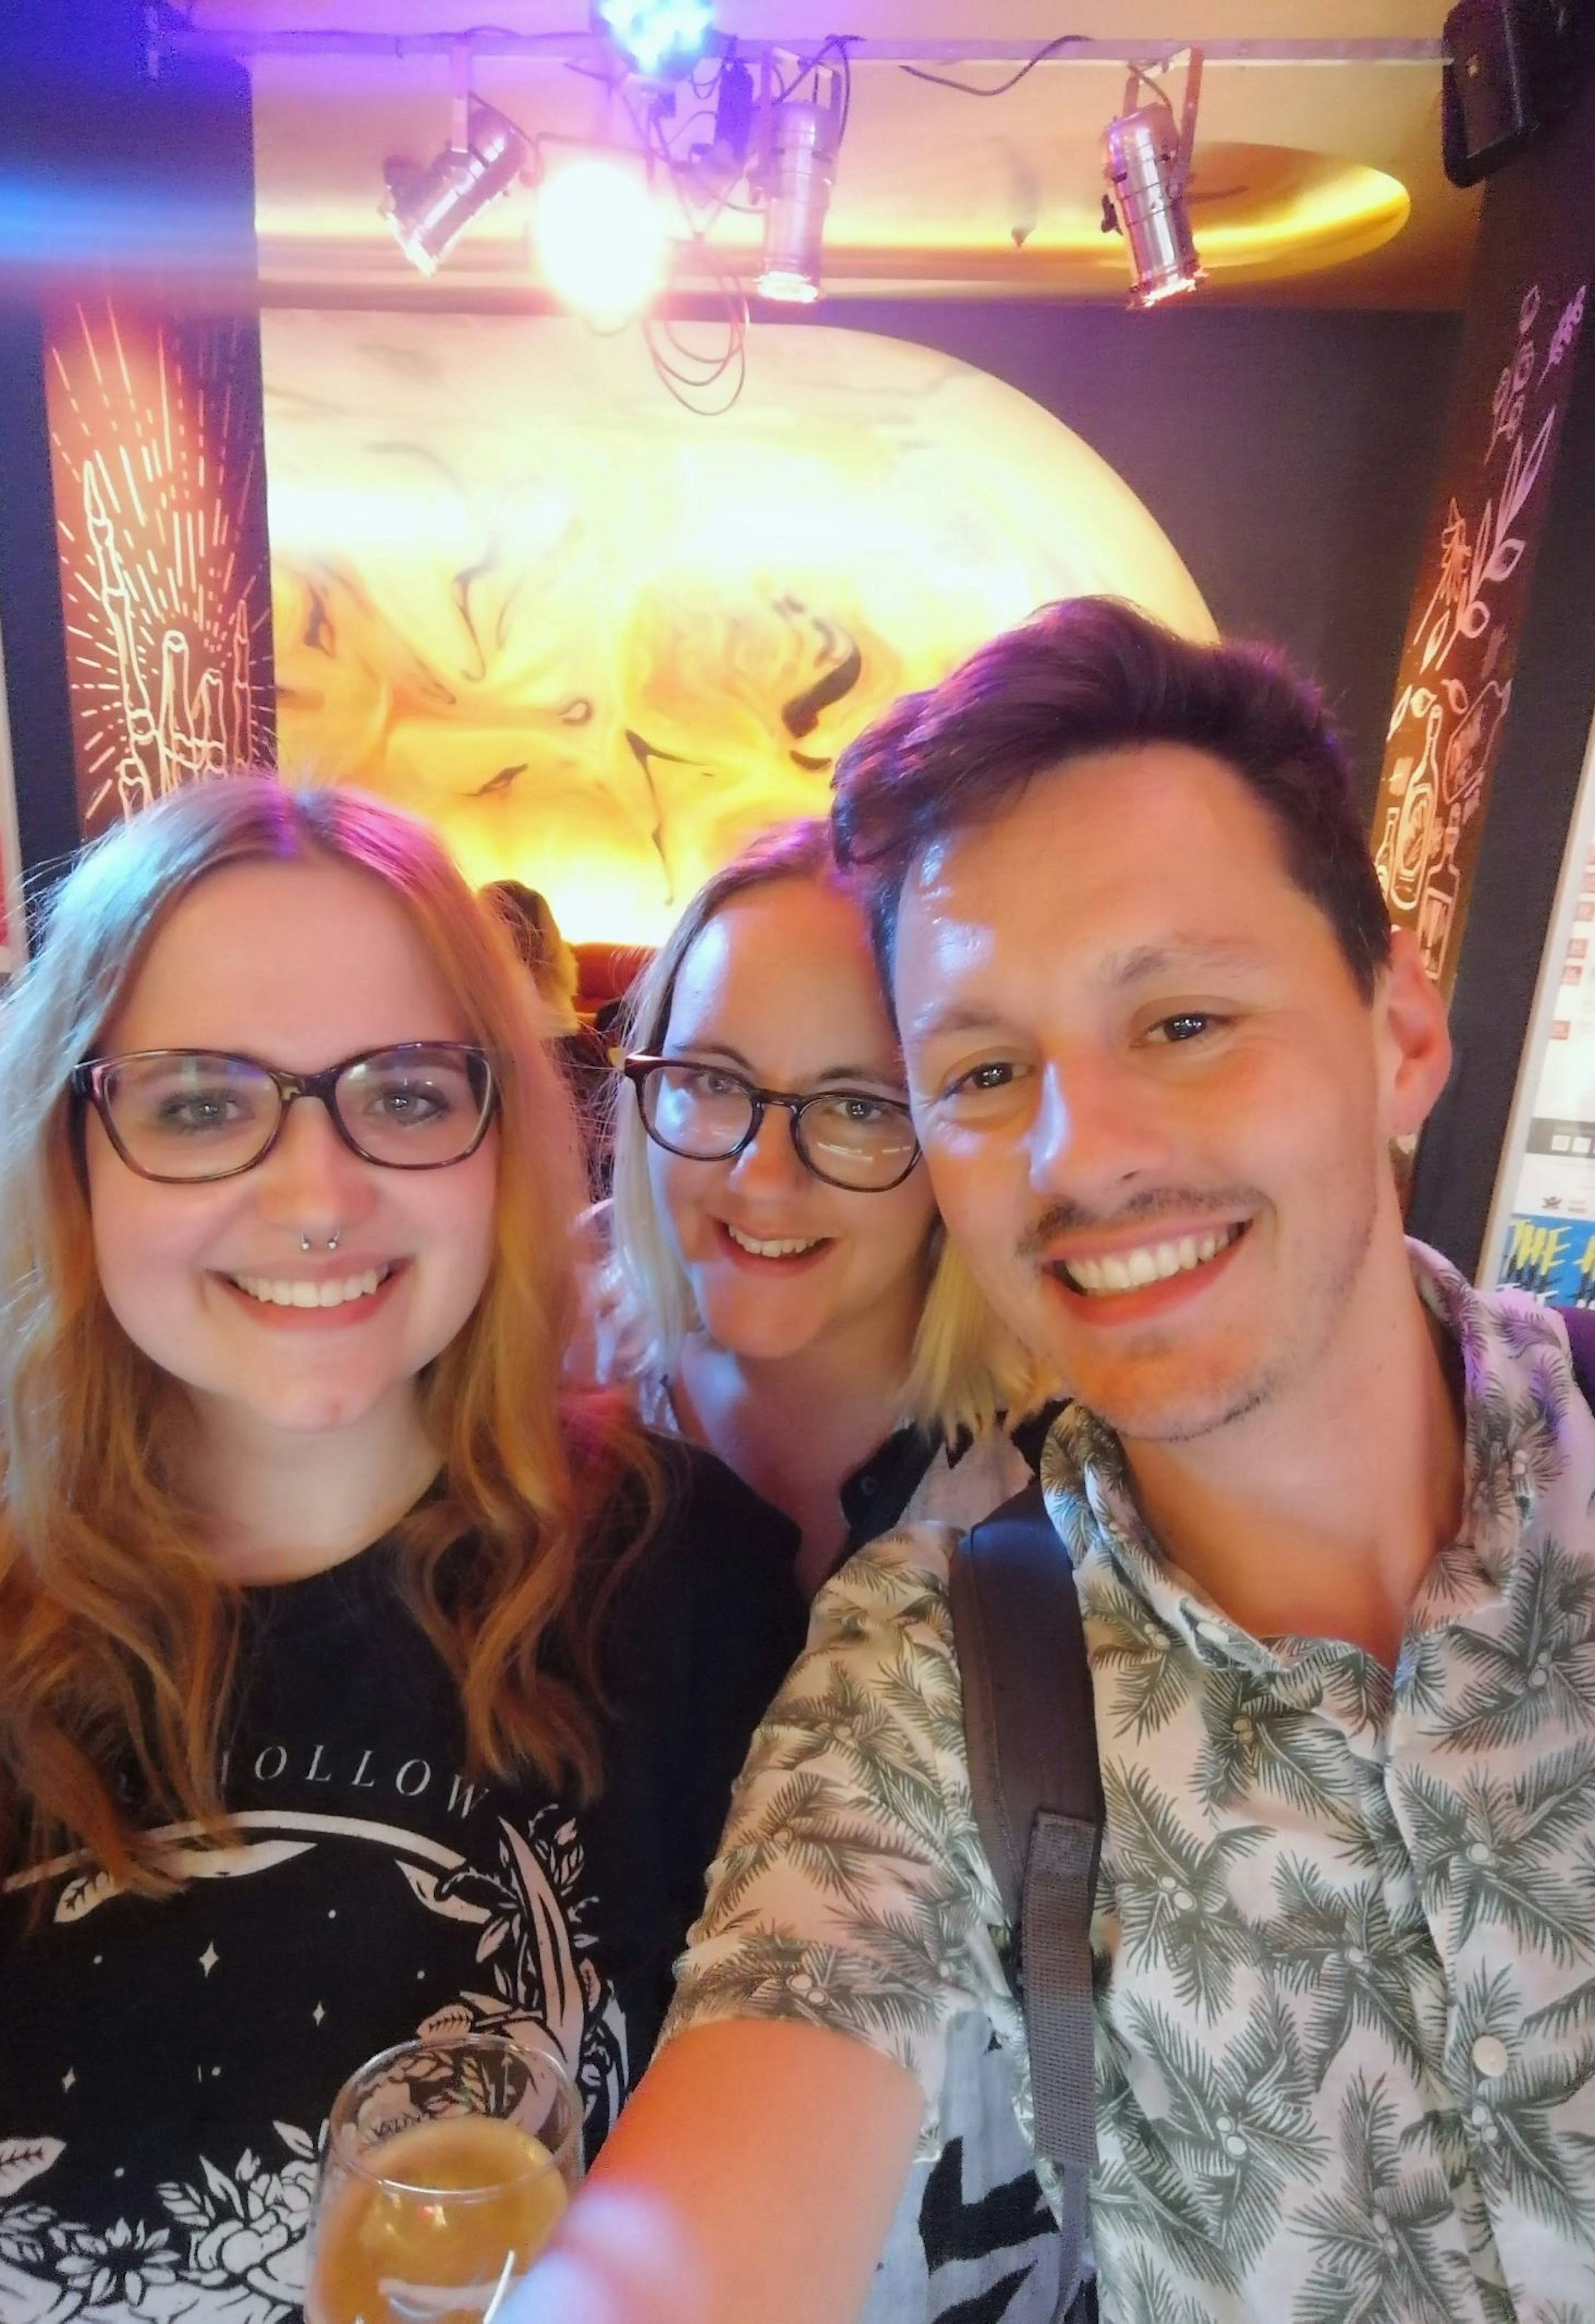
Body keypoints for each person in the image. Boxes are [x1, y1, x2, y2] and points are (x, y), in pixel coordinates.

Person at [504, 600, 1595, 2324]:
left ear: (1402, 1031)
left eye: (1183, 1020)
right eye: (979, 1067)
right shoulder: (928, 1681)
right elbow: (693, 2227)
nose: (1079, 1150)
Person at [0, 776, 803, 2324]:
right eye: (200, 1100)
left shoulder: (687, 1585)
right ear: (75, 1150)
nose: (316, 1196)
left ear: (499, 1130)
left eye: (400, 1092)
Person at [602, 816, 1060, 2317]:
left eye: (857, 1106)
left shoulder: (1074, 1479)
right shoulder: (529, 1377)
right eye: (713, 1082)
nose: (760, 1171)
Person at [481, 876, 616, 1196]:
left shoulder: (506, 977)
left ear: (504, 926)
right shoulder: (553, 969)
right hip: (577, 1062)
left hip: (534, 1067)